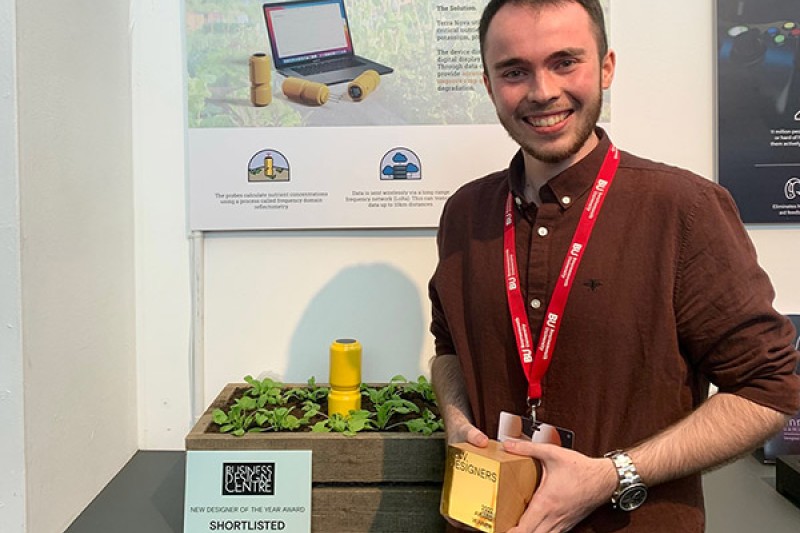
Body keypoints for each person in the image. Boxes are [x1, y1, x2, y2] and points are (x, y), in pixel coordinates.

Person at [428, 1, 800, 531]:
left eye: (564, 62)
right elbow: (449, 351)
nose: (541, 92)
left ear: (606, 67)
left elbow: (768, 390)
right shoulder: (466, 213)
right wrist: (458, 422)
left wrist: (611, 474)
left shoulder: (685, 211)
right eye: (514, 71)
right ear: (489, 85)